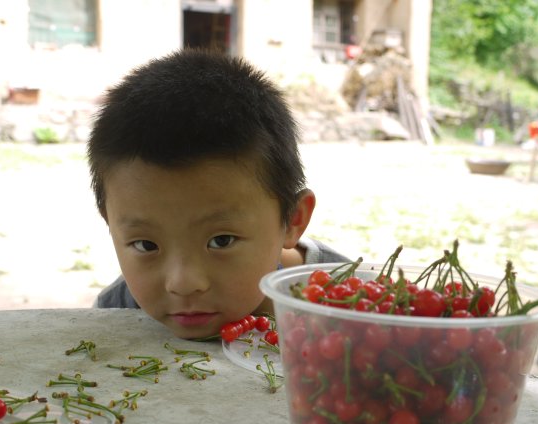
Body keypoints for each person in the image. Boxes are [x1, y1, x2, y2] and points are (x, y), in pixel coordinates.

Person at [87, 48, 350, 340]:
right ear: (109, 222)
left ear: (293, 220)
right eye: (146, 245)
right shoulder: (114, 313)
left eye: (221, 241)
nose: (184, 283)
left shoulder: (354, 304)